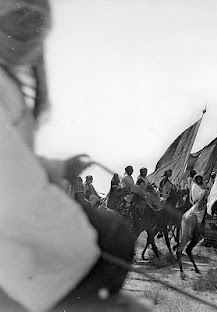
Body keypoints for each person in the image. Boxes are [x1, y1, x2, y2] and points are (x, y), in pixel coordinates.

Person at [0, 2, 150, 311]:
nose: (27, 33)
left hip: (21, 210)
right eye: (19, 21)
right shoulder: (3, 87)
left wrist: (62, 166)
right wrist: (80, 242)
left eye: (35, 24)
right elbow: (14, 179)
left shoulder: (10, 85)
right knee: (117, 233)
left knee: (117, 231)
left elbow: (17, 161)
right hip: (14, 226)